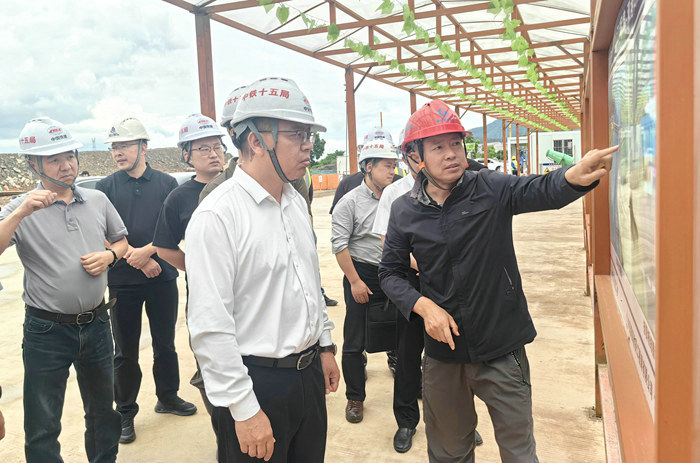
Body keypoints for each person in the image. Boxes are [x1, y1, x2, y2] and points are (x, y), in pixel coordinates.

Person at [379, 100, 617, 463]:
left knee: (519, 452)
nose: (451, 153)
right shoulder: (404, 210)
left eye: (456, 143)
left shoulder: (489, 187)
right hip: (444, 354)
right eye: (438, 147)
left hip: (501, 346)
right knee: (449, 452)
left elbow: (537, 189)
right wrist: (423, 307)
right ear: (415, 157)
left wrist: (572, 176)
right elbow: (390, 272)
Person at [186, 77, 340, 463]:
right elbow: (210, 326)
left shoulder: (294, 201)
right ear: (256, 140)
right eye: (297, 135)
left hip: (307, 376)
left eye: (309, 135)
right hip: (256, 383)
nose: (308, 145)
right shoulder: (218, 215)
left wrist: (324, 346)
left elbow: (309, 284)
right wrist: (244, 408)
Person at [0, 117, 128, 462]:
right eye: (54, 159)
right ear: (33, 163)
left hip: (97, 324)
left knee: (103, 414)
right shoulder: (21, 208)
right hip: (47, 331)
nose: (67, 165)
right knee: (42, 424)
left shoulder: (97, 200)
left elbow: (121, 241)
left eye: (70, 155)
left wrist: (110, 256)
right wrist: (21, 212)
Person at [372, 133, 486, 453]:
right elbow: (387, 243)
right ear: (411, 156)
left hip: (451, 283)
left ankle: (461, 421)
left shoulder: (457, 186)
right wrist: (421, 261)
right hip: (411, 284)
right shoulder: (395, 194)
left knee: (456, 356)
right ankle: (407, 421)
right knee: (408, 356)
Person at [96, 117, 196, 445]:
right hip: (122, 281)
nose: (118, 152)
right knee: (125, 351)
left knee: (165, 344)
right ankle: (125, 411)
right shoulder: (105, 188)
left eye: (124, 145)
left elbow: (176, 228)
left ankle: (168, 397)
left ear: (144, 147)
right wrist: (133, 257)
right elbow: (102, 232)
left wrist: (150, 252)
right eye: (114, 147)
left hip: (161, 276)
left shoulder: (167, 184)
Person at [152, 113, 225, 419]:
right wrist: (197, 268)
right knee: (212, 362)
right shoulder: (179, 198)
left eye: (217, 146)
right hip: (205, 294)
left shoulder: (240, 186)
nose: (214, 154)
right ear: (186, 156)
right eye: (203, 149)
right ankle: (224, 429)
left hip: (249, 287)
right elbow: (164, 247)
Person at [331, 140, 398, 425]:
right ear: (368, 167)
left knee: (403, 331)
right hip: (363, 274)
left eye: (394, 165)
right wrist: (355, 281)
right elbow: (339, 245)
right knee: (355, 339)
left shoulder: (398, 196)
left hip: (394, 273)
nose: (392, 171)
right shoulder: (350, 203)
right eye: (387, 165)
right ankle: (355, 397)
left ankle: (407, 376)